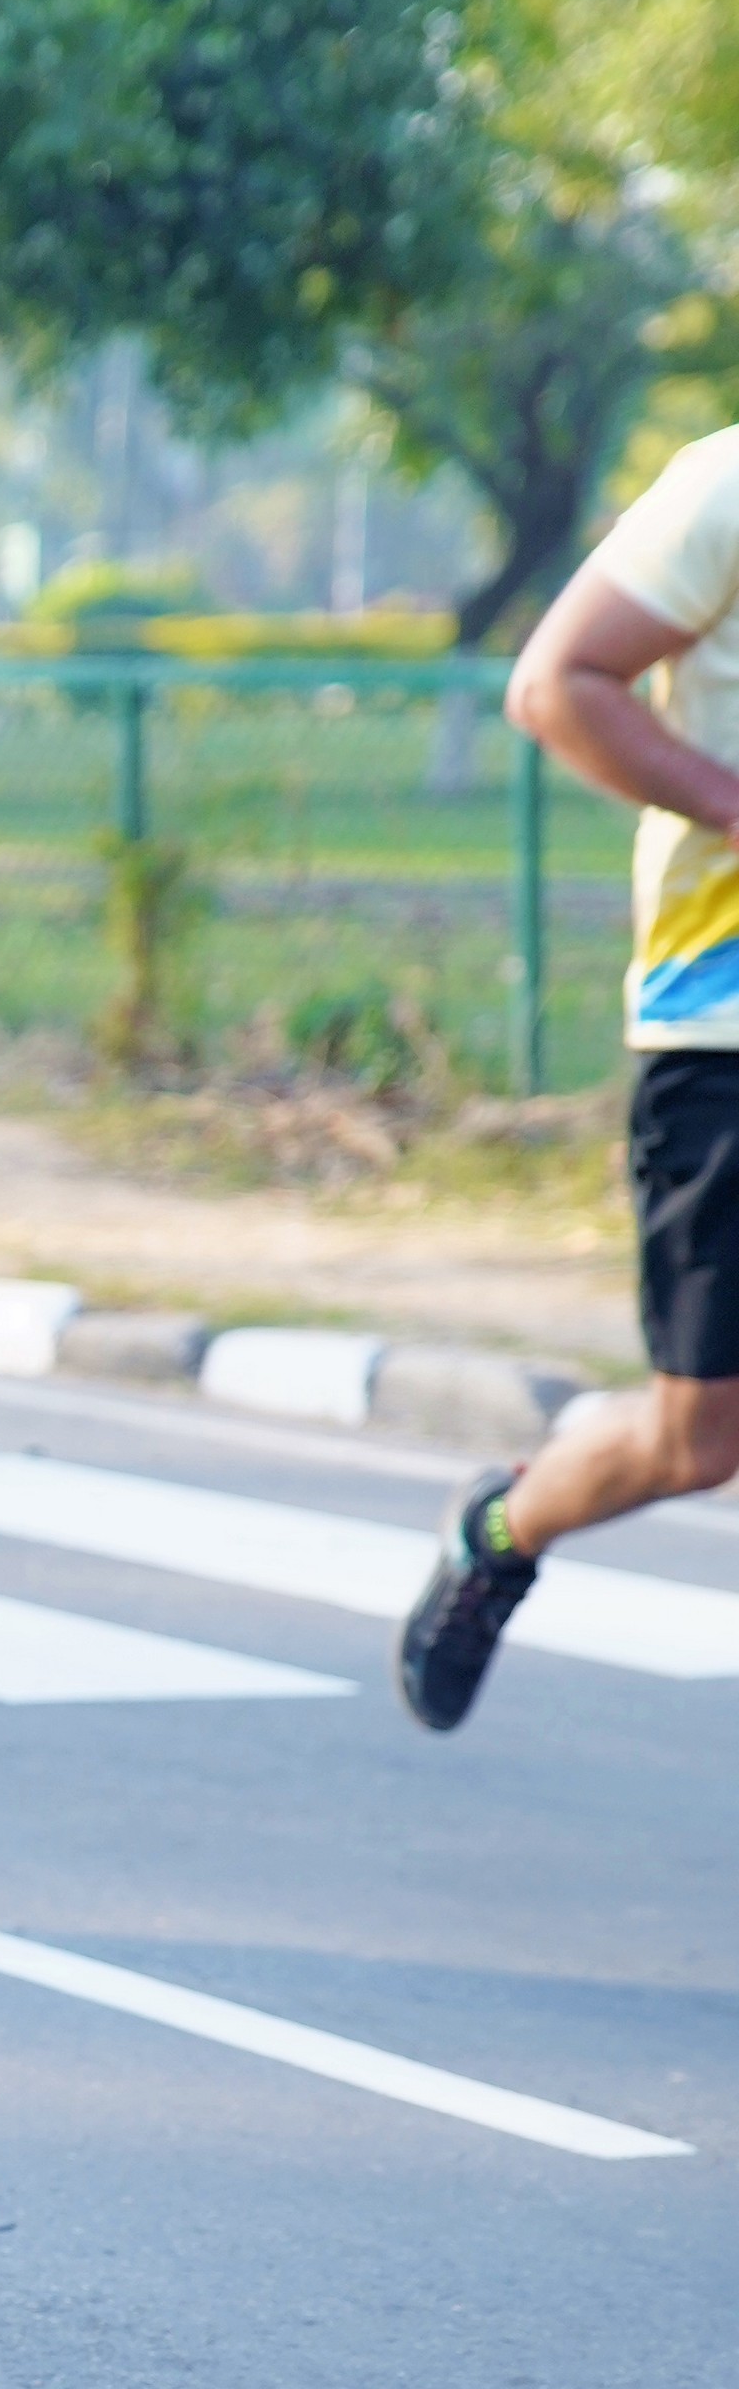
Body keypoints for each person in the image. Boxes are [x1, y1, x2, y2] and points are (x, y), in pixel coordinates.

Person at [405, 422, 739, 1723]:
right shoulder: (724, 486)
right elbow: (557, 685)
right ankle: (501, 1531)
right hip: (721, 1033)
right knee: (698, 1439)